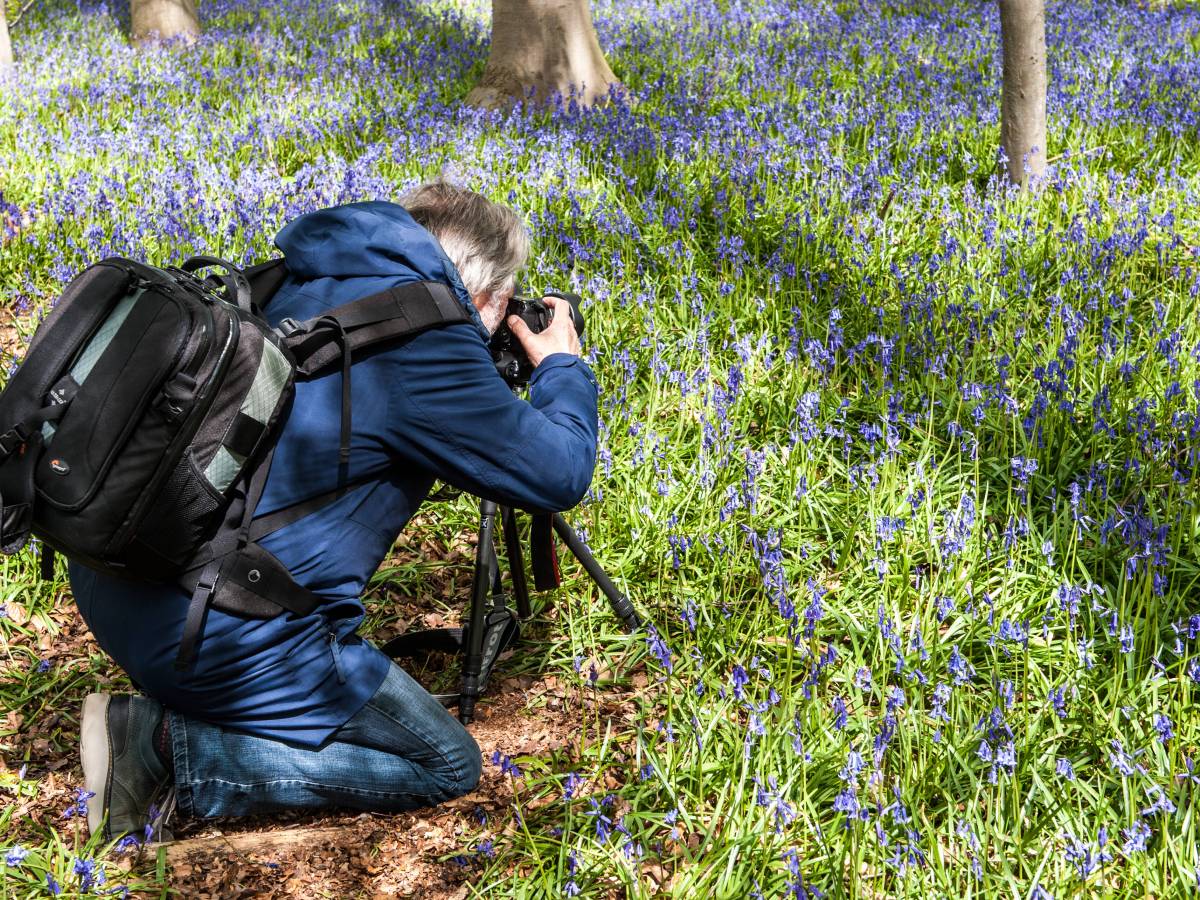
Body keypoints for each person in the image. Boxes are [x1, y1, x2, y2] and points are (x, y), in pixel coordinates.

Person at [70, 182, 600, 840]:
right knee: (445, 762)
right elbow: (561, 471)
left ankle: (195, 711)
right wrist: (562, 370)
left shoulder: (303, 274)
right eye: (504, 302)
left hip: (115, 574)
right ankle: (161, 750)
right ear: (486, 292)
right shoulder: (429, 344)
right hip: (208, 637)